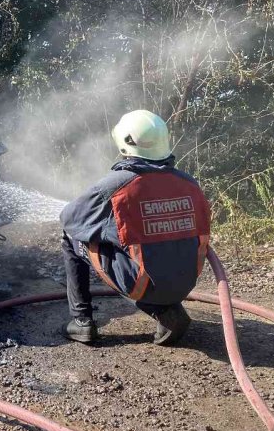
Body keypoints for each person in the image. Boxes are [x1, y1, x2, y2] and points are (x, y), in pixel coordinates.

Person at [58, 110, 211, 345]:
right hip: (183, 284)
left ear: (125, 142)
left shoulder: (115, 186)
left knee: (71, 238)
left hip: (144, 285)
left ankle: (81, 322)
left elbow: (70, 220)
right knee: (152, 253)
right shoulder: (189, 183)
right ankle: (168, 312)